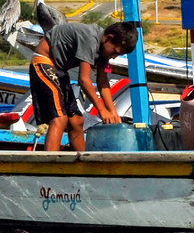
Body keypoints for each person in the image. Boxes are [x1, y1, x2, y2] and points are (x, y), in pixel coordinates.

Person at [29, 21, 140, 152]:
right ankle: (51, 163)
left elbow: (102, 81)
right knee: (60, 118)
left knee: (77, 121)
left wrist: (113, 112)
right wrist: (102, 111)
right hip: (43, 62)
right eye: (115, 52)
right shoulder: (90, 39)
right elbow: (84, 79)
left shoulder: (104, 49)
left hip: (59, 70)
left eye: (118, 55)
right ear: (108, 38)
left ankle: (82, 162)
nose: (114, 57)